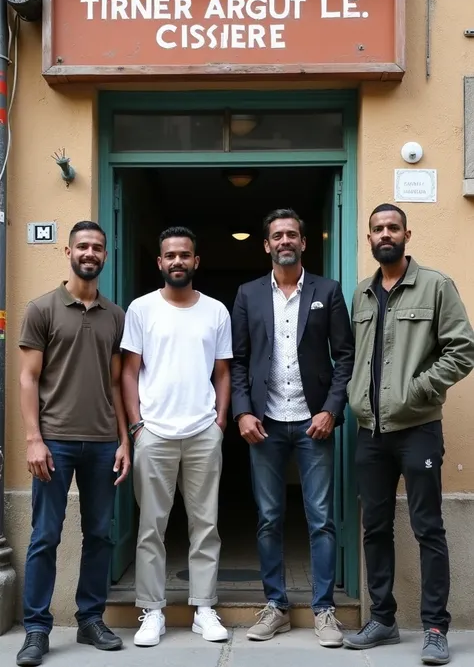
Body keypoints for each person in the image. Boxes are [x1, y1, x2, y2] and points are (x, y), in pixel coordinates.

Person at [343, 204, 474, 664]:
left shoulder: (436, 285)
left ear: (406, 234)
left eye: (392, 227)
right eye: (377, 228)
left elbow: (462, 350)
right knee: (375, 528)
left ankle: (435, 626)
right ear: (369, 238)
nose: (385, 234)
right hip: (370, 432)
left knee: (427, 528)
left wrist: (419, 389)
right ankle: (382, 619)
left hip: (417, 428)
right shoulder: (361, 293)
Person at [231, 208, 354, 646]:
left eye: (292, 235)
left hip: (312, 423)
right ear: (266, 245)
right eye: (277, 235)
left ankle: (324, 611)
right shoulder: (247, 294)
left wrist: (332, 410)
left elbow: (345, 358)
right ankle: (276, 606)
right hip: (264, 424)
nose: (284, 241)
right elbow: (239, 360)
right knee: (268, 518)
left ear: (303, 242)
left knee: (320, 519)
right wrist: (242, 411)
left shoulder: (328, 291)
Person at [16, 221, 130, 666]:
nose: (89, 252)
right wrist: (33, 439)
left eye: (97, 246)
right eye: (82, 245)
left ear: (105, 255)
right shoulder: (42, 309)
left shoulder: (115, 315)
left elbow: (118, 383)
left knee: (99, 535)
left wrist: (124, 441)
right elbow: (27, 378)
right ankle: (37, 629)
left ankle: (90, 619)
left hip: (103, 442)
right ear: (68, 250)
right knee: (45, 535)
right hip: (55, 443)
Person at [121, 226, 232, 647]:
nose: (177, 262)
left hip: (203, 431)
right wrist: (137, 426)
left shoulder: (216, 311)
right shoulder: (141, 309)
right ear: (160, 262)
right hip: (155, 432)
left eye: (184, 255)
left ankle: (204, 607)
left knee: (206, 524)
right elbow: (129, 371)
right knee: (151, 526)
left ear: (196, 261)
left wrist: (220, 423)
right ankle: (152, 611)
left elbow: (223, 372)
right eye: (170, 256)